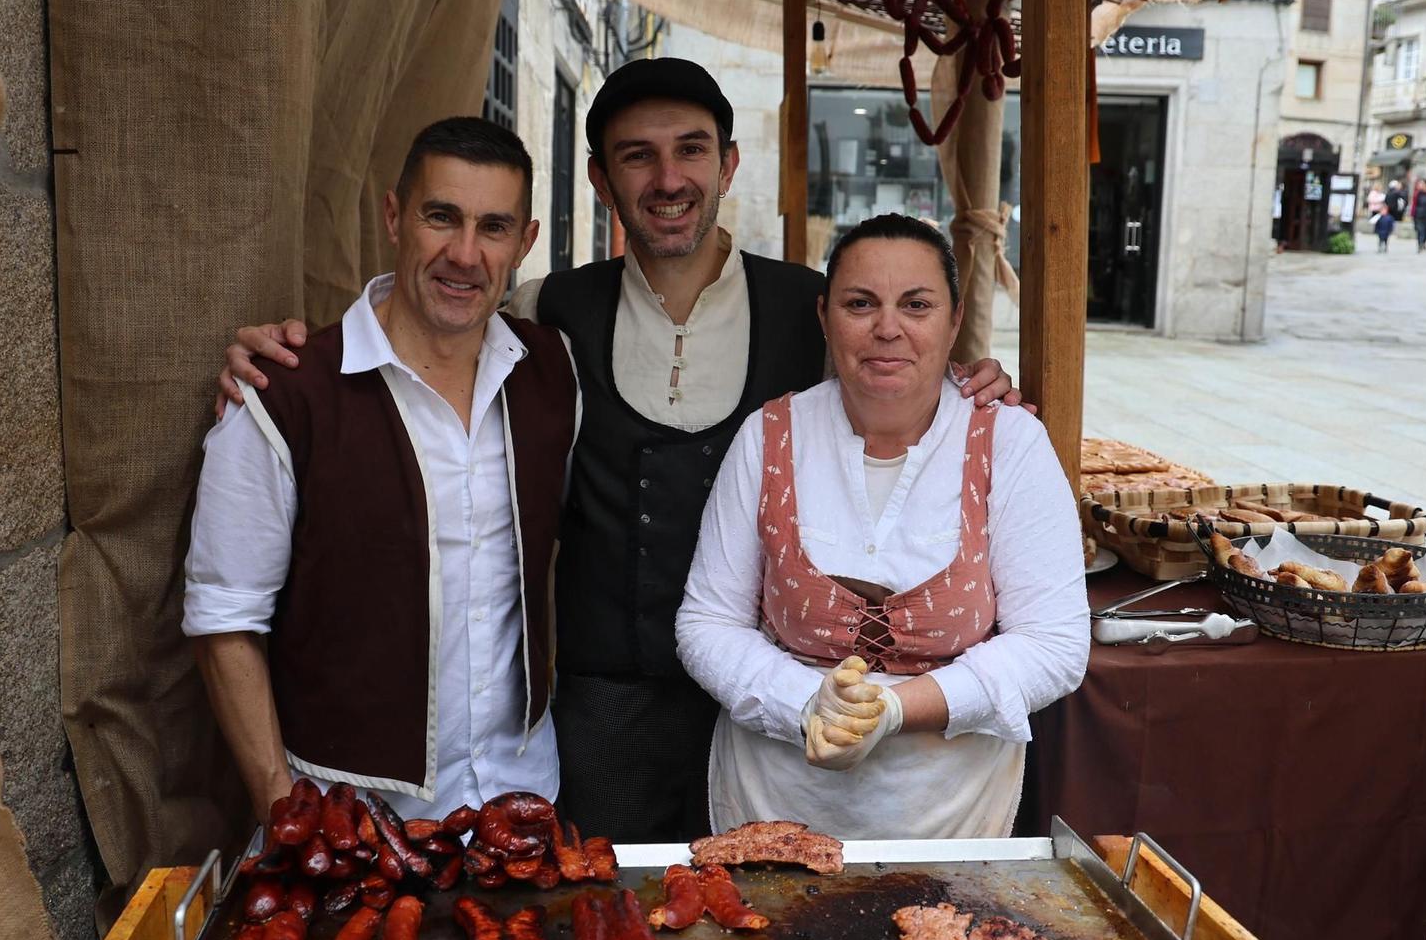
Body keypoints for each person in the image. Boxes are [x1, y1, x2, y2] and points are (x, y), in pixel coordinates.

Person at [216, 59, 1020, 842]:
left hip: (768, 702)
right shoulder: (547, 313)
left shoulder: (812, 308)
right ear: (601, 182)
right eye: (638, 156)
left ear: (729, 163)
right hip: (600, 714)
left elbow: (897, 381)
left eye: (692, 149)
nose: (668, 178)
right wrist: (294, 352)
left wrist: (973, 383)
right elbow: (435, 314)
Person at [183, 117, 577, 823]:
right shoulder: (285, 394)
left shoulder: (554, 373)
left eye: (493, 227)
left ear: (525, 243)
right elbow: (224, 622)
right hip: (352, 818)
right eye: (440, 217)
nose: (464, 254)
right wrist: (285, 813)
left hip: (523, 801)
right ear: (393, 216)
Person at [674, 214, 1089, 839]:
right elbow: (706, 623)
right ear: (825, 317)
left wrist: (894, 709)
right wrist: (806, 704)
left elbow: (1054, 645)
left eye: (916, 305)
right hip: (775, 799)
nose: (887, 328)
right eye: (860, 303)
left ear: (954, 322)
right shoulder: (768, 437)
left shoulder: (1010, 444)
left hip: (950, 809)